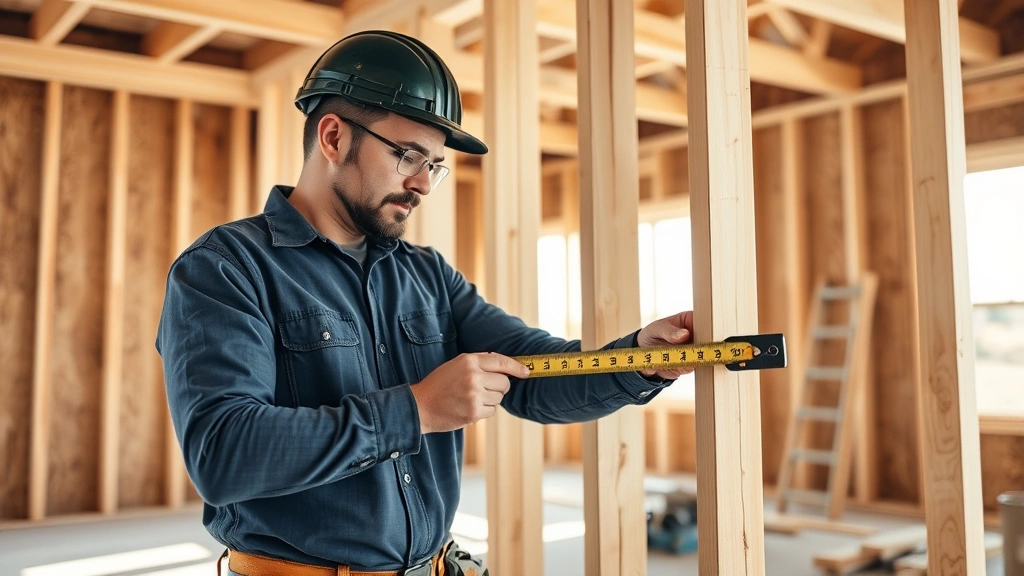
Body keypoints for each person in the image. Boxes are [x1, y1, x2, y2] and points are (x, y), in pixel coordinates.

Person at [156, 29, 694, 576]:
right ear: (334, 137)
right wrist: (416, 410)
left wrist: (638, 360)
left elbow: (531, 371)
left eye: (434, 165)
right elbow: (223, 455)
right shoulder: (224, 269)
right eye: (409, 156)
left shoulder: (426, 273)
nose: (423, 184)